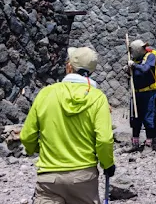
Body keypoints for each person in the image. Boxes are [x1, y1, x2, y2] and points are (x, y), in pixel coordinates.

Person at [21, 47, 115, 204]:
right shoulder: (98, 97)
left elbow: (26, 136)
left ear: (69, 67)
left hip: (49, 177)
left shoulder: (46, 93)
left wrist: (38, 149)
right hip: (84, 177)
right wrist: (107, 164)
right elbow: (104, 140)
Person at [126, 39, 156, 151]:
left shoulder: (150, 57)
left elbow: (146, 69)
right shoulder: (134, 59)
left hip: (148, 92)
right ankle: (135, 142)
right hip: (136, 92)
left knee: (148, 117)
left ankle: (149, 143)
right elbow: (134, 74)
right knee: (135, 118)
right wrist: (128, 70)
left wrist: (134, 66)